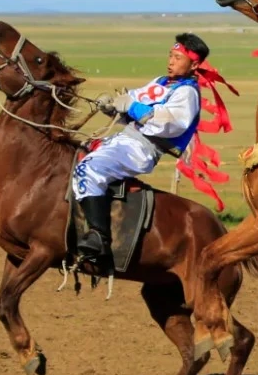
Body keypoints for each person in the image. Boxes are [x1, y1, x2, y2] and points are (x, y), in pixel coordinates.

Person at [72, 33, 208, 273]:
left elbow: (168, 123)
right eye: (170, 55)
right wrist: (112, 106)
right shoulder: (161, 82)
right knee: (71, 155)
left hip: (141, 149)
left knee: (89, 168)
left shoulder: (187, 93)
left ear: (194, 65)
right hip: (124, 139)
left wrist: (132, 107)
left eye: (178, 58)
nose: (171, 61)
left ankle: (99, 237)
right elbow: (131, 102)